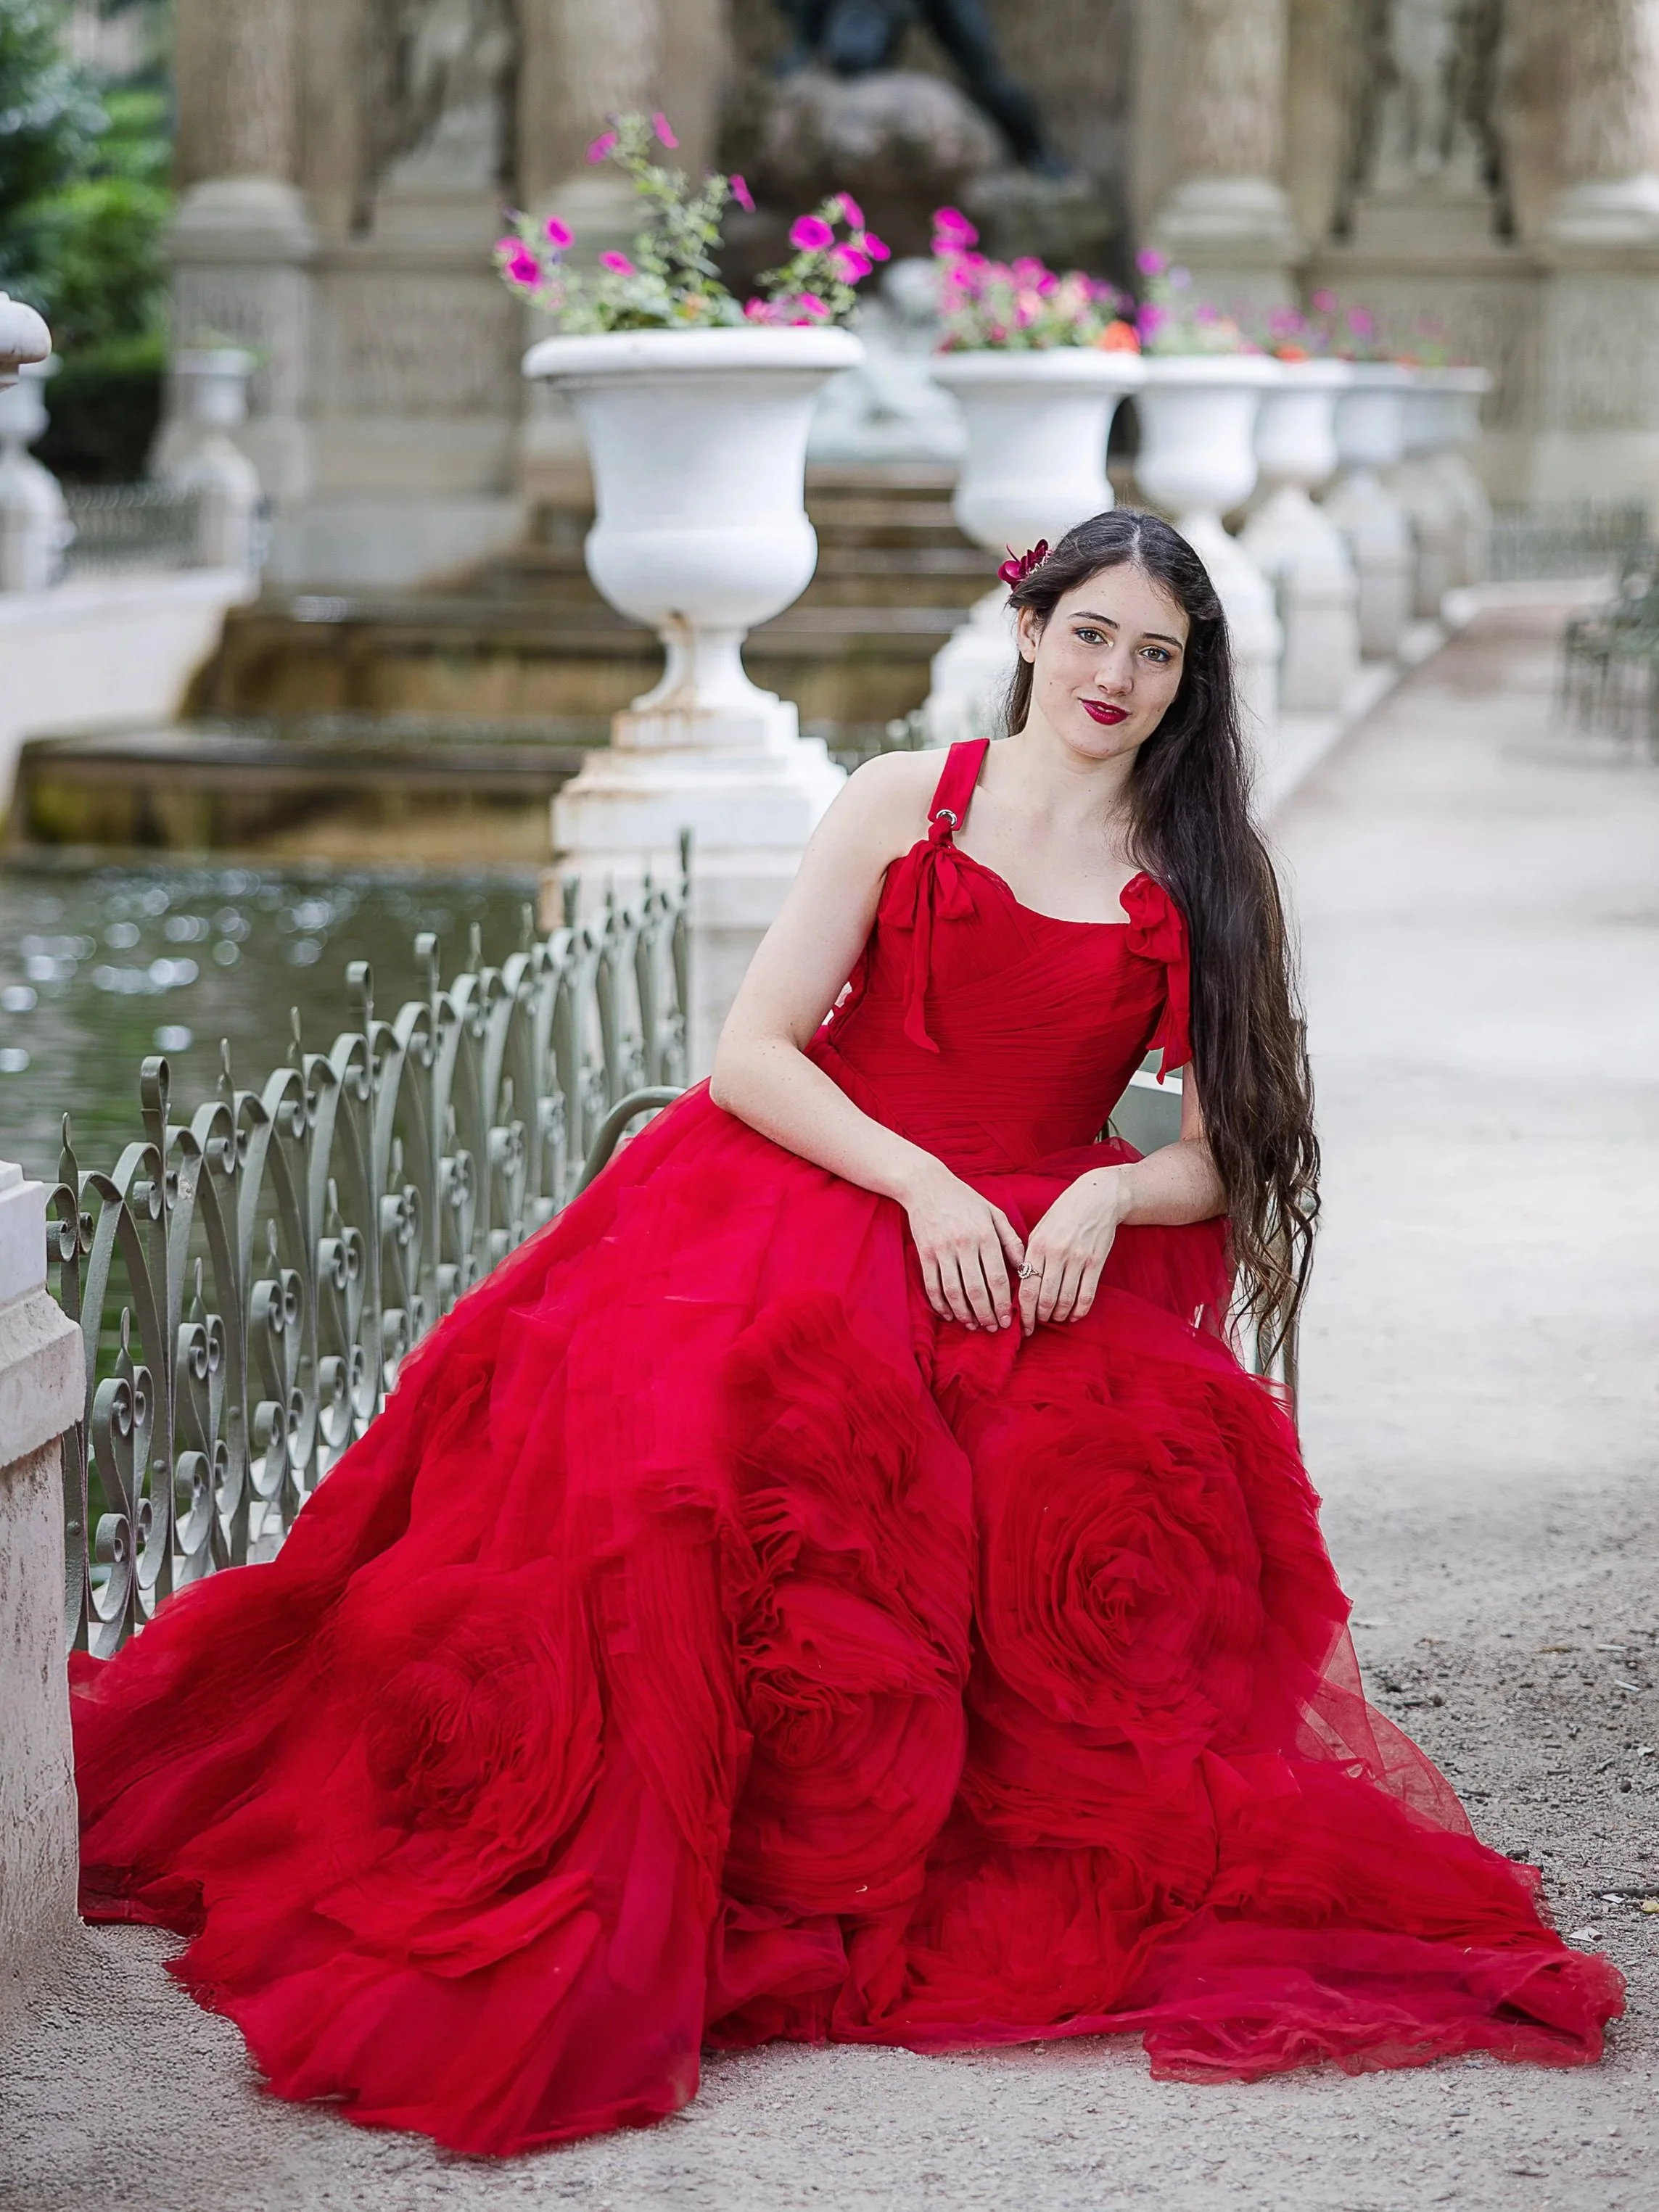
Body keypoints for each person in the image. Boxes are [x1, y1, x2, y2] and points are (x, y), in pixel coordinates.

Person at [70, 510, 1623, 2158]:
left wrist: (1104, 1203)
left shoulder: (1199, 869)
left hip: (1030, 1245)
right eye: (1092, 632)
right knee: (684, 1482)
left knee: (1078, 1542)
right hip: (825, 1184)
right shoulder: (908, 800)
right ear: (1030, 630)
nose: (1118, 675)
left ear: (1188, 680)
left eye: (1157, 653)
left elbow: (1242, 1141)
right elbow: (754, 1052)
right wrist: (927, 1188)